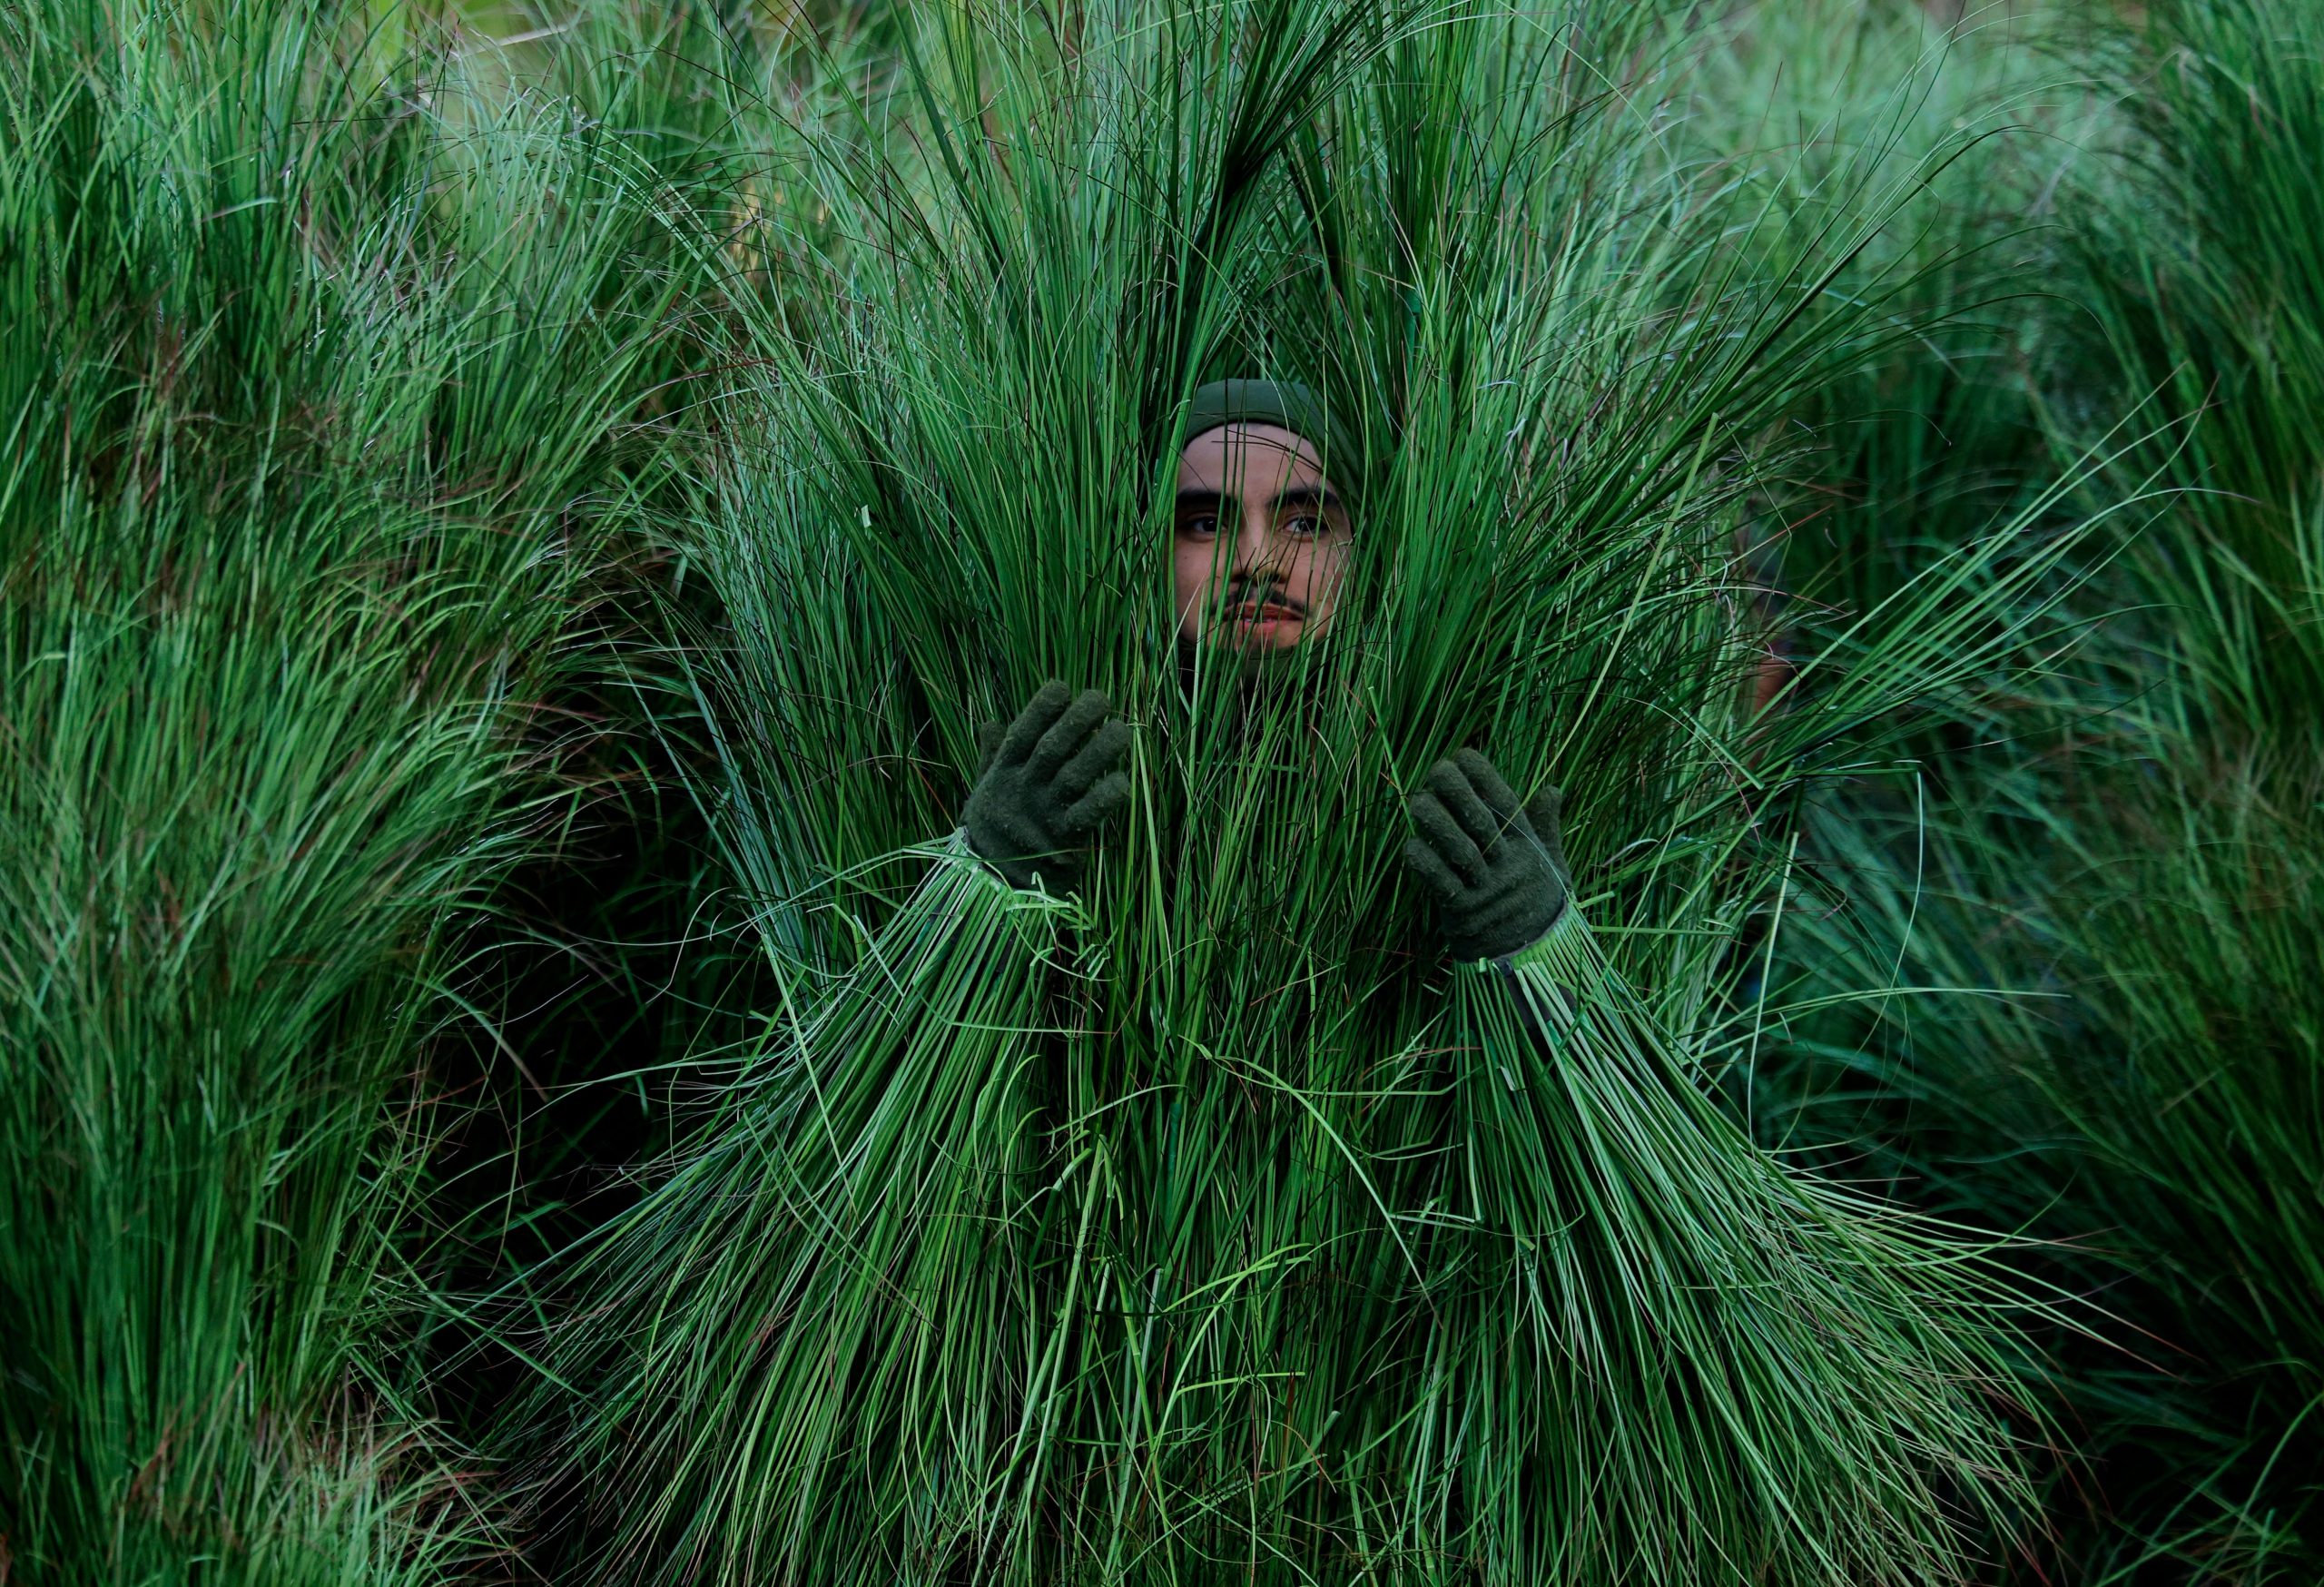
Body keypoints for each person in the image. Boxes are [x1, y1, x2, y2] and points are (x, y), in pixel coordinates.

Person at [965, 378, 1573, 967]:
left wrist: (1531, 942)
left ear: (1366, 552)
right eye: (1205, 523)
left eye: (1305, 523)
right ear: (1146, 553)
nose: (1257, 561)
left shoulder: (1467, 769)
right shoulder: (1051, 766)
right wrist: (991, 877)